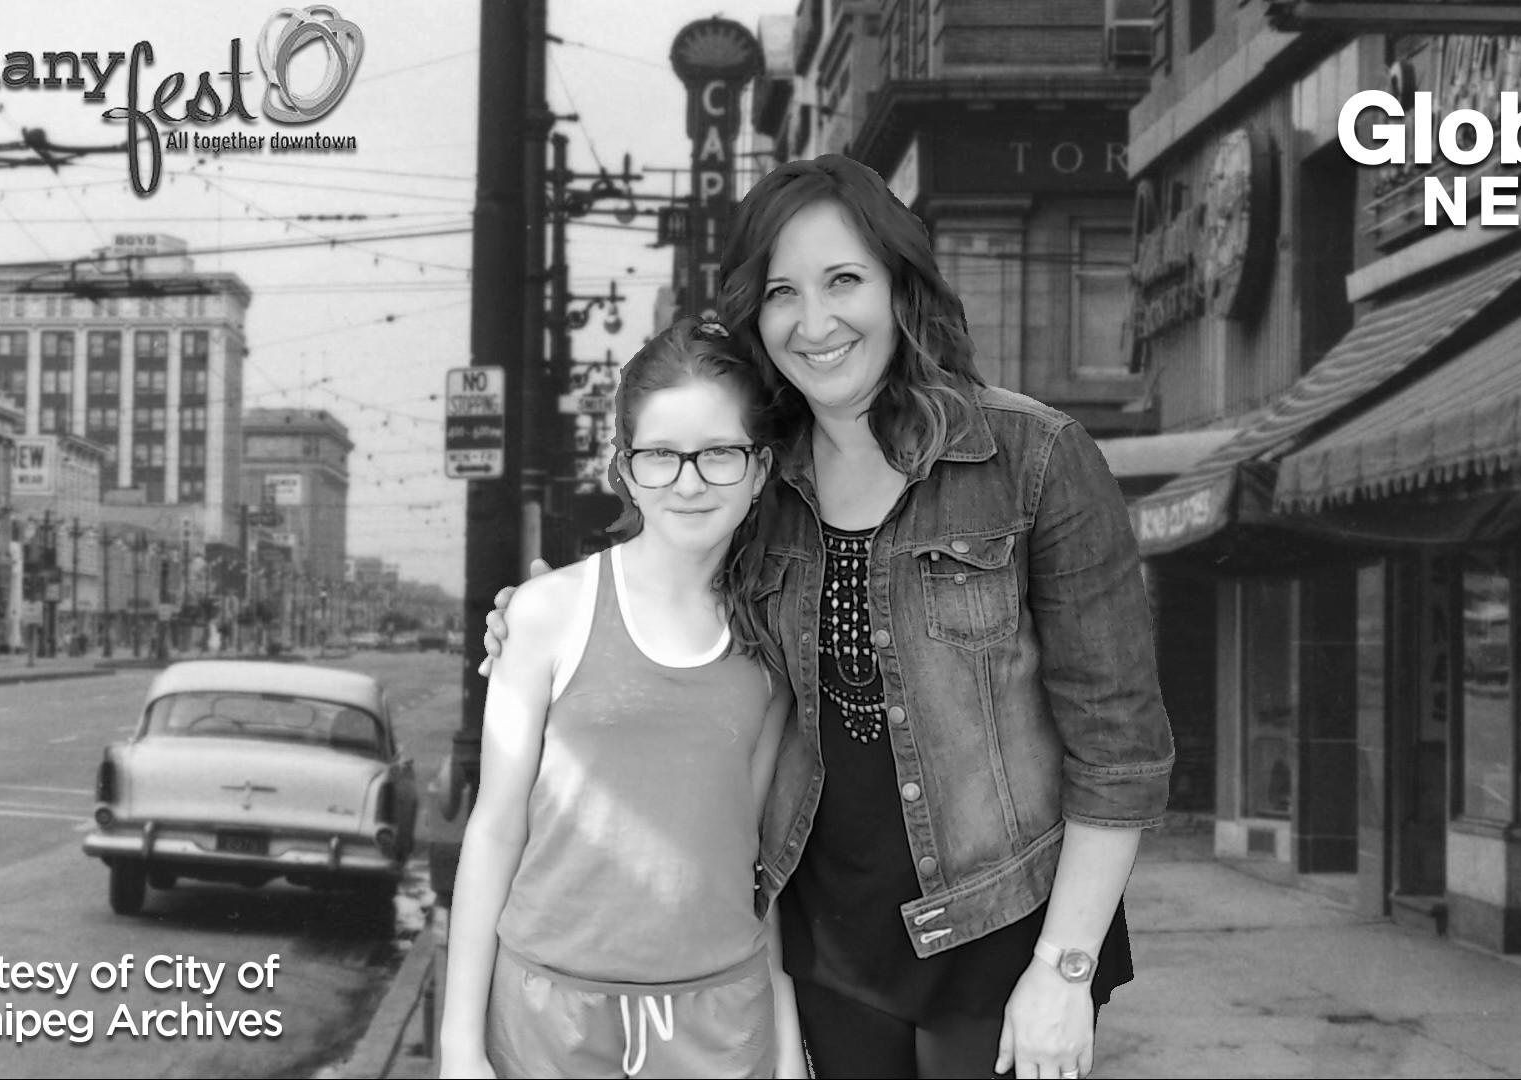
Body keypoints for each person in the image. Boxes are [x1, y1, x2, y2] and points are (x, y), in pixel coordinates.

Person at [485, 155, 1174, 1079]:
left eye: (843, 280)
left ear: (899, 285)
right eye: (782, 293)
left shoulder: (1035, 458)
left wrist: (1066, 967)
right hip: (826, 952)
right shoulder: (759, 484)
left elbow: (1121, 748)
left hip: (1005, 937)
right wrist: (532, 621)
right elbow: (656, 603)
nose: (814, 323)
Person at [440, 318, 808, 1080]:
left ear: (760, 469)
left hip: (719, 1016)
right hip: (549, 1015)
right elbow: (495, 831)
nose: (689, 482)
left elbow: (753, 858)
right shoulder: (547, 614)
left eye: (719, 453)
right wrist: (458, 1046)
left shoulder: (772, 644)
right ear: (626, 471)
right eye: (661, 455)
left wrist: (785, 1038)